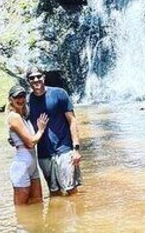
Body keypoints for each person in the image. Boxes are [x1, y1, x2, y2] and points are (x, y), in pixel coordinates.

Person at [25, 66, 83, 196]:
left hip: (65, 150)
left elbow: (72, 120)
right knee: (54, 193)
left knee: (71, 190)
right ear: (28, 81)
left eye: (38, 76)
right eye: (32, 78)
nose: (36, 80)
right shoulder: (27, 102)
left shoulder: (59, 94)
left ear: (44, 77)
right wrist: (12, 136)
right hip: (44, 153)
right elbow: (17, 118)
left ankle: (78, 216)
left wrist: (76, 149)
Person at [6, 84, 49, 205]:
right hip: (21, 166)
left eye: (22, 96)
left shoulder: (23, 117)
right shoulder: (13, 117)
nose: (20, 100)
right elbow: (30, 143)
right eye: (16, 97)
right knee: (21, 209)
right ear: (10, 100)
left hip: (32, 164)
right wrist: (41, 130)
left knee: (38, 203)